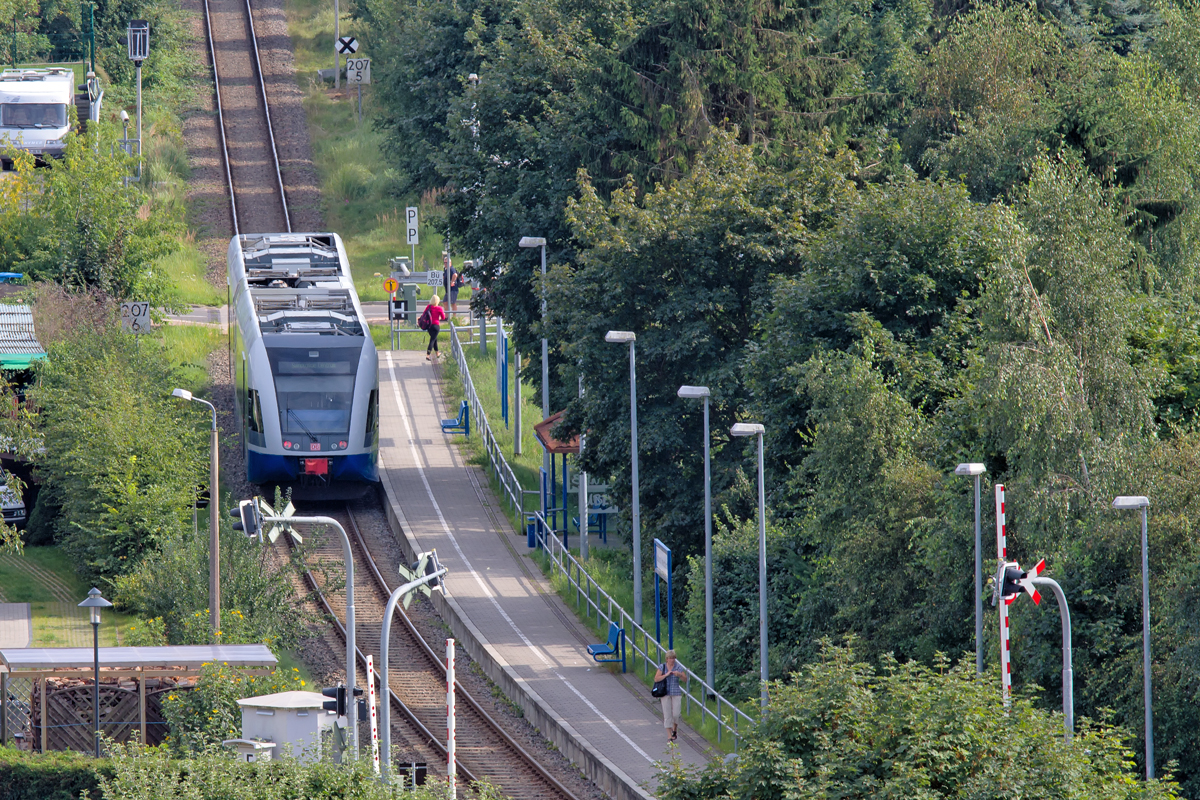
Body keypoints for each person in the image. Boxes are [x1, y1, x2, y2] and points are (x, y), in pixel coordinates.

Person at [654, 650, 688, 743]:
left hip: (676, 692)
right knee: (667, 714)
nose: (672, 660)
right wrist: (666, 675)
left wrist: (680, 674)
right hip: (665, 693)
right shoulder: (662, 667)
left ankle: (674, 729)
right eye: (670, 658)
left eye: (673, 658)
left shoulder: (678, 667)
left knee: (676, 714)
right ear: (667, 659)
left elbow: (685, 679)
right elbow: (656, 679)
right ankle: (669, 736)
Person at [425, 294, 447, 362]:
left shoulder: (428, 307)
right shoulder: (439, 308)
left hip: (429, 326)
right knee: (432, 340)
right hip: (436, 326)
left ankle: (437, 353)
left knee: (434, 339)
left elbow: (425, 314)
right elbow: (443, 317)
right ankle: (428, 355)